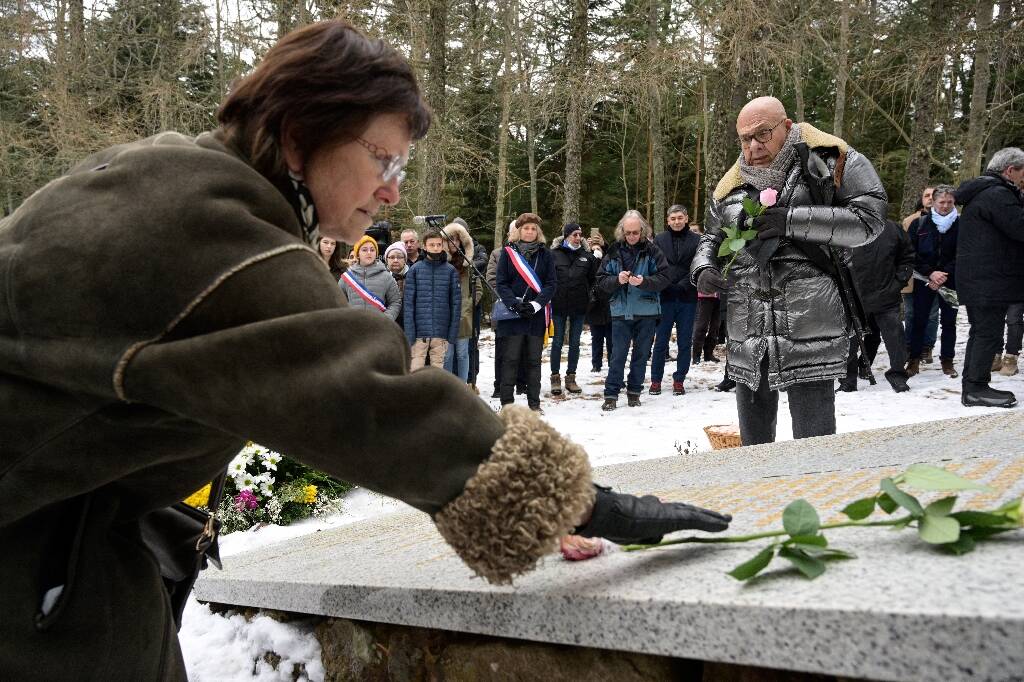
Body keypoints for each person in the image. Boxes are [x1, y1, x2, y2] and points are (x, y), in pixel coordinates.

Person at [0, 21, 732, 677]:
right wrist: (589, 506)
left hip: (68, 540)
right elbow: (376, 399)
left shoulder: (174, 174)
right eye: (382, 159)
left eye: (401, 170)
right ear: (298, 133)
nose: (390, 193)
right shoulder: (222, 240)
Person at [691, 96, 885, 446]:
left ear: (787, 125)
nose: (754, 145)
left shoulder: (831, 160)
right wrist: (703, 265)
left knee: (814, 447)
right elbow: (712, 234)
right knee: (754, 448)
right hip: (747, 330)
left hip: (808, 326)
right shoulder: (731, 184)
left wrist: (792, 221)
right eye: (745, 138)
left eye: (762, 133)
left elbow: (869, 221)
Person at [955, 147, 1024, 407]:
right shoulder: (997, 194)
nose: (1022, 179)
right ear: (1010, 170)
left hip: (982, 279)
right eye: (1022, 173)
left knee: (982, 332)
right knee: (988, 334)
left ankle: (973, 385)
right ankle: (975, 388)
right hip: (989, 280)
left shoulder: (985, 192)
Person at [597, 210, 669, 410]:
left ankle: (634, 392)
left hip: (646, 311)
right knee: (617, 355)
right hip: (620, 311)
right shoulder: (612, 251)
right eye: (628, 233)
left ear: (642, 231)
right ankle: (611, 395)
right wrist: (616, 280)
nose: (631, 237)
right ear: (622, 231)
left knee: (641, 354)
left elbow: (664, 278)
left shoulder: (653, 251)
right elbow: (601, 280)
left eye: (635, 232)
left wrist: (644, 282)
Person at [841, 219, 914, 393]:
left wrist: (897, 283)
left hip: (886, 294)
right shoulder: (844, 226)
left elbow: (907, 257)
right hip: (853, 295)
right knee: (849, 340)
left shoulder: (892, 228)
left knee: (895, 338)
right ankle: (848, 380)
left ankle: (897, 375)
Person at [495, 212, 555, 411]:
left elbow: (551, 284)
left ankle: (534, 404)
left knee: (533, 362)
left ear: (538, 232)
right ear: (519, 231)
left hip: (535, 317)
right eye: (526, 228)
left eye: (533, 229)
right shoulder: (508, 253)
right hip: (512, 317)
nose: (529, 232)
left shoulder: (546, 254)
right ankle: (507, 404)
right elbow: (501, 282)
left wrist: (536, 305)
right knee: (510, 360)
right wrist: (514, 304)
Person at [906, 184, 960, 379]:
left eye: (949, 202)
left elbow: (962, 253)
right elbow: (910, 253)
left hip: (951, 280)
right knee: (919, 320)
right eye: (941, 202)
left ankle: (947, 360)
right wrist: (931, 273)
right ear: (933, 203)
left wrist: (944, 274)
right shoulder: (919, 224)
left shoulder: (961, 224)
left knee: (949, 322)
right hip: (924, 280)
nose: (945, 206)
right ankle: (913, 359)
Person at [650, 204, 699, 396]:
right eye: (673, 218)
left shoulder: (697, 240)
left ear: (686, 218)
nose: (677, 221)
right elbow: (656, 265)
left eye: (680, 217)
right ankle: (655, 380)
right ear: (668, 220)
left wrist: (684, 284)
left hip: (688, 297)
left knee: (685, 342)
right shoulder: (660, 240)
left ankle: (679, 380)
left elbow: (698, 264)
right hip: (665, 296)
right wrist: (667, 283)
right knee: (661, 341)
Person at [549, 223, 599, 395]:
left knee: (575, 343)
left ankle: (571, 377)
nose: (578, 238)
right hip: (558, 305)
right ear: (566, 236)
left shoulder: (587, 256)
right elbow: (547, 278)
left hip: (579, 305)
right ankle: (555, 378)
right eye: (574, 235)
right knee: (557, 342)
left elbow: (594, 279)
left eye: (580, 235)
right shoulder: (553, 254)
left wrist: (589, 297)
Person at [404, 229, 460, 370]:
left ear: (443, 245)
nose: (435, 248)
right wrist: (410, 333)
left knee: (437, 374)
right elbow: (408, 304)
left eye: (438, 244)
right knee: (415, 372)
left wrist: (451, 334)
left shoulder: (450, 270)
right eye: (431, 245)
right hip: (418, 333)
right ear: (424, 246)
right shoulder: (415, 270)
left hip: (441, 331)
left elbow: (455, 303)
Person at [487, 219, 527, 398]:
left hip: (526, 308)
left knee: (524, 348)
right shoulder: (498, 254)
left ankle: (522, 383)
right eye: (516, 231)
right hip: (505, 308)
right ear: (509, 234)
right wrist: (511, 298)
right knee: (502, 350)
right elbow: (492, 280)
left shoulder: (531, 254)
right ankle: (499, 385)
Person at [902, 186, 940, 364]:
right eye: (926, 195)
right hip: (912, 276)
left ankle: (927, 347)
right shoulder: (910, 221)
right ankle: (909, 346)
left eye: (934, 195)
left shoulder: (947, 221)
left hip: (935, 277)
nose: (930, 198)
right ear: (922, 199)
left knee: (932, 314)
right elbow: (903, 250)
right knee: (910, 313)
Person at [441, 221, 480, 383]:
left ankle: (463, 385)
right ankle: (450, 386)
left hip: (464, 316)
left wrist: (469, 304)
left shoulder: (468, 266)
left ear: (462, 242)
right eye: (449, 239)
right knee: (447, 354)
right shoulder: (441, 265)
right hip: (445, 317)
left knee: (463, 353)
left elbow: (478, 289)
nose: (453, 243)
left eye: (456, 240)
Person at [338, 234, 402, 322]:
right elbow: (338, 303)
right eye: (364, 250)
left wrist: (385, 320)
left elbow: (395, 302)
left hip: (379, 329)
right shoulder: (346, 278)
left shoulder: (386, 277)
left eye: (372, 250)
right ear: (358, 254)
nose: (369, 252)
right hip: (353, 329)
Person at [585, 229, 612, 372]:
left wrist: (604, 245)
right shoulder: (588, 259)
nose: (596, 250)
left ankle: (612, 362)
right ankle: (596, 364)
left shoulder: (608, 259)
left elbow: (614, 257)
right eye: (594, 248)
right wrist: (588, 251)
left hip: (609, 304)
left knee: (611, 338)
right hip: (594, 305)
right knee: (596, 338)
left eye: (598, 248)